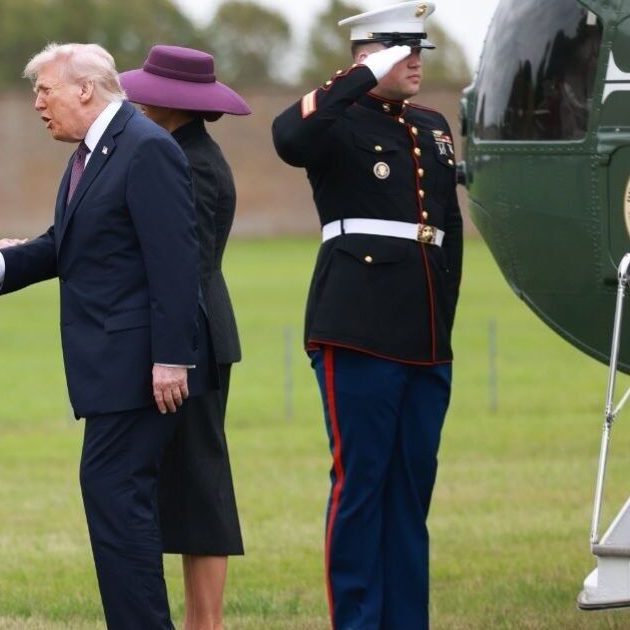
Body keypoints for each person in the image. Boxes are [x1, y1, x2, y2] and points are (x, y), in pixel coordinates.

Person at [0, 42, 216, 629]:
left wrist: (172, 359)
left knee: (115, 496)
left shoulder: (145, 148)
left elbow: (175, 259)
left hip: (141, 368)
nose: (37, 103)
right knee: (114, 498)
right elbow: (67, 243)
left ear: (85, 89)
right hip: (112, 367)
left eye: (44, 90)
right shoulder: (95, 150)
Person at [270, 2, 463, 628]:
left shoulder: (432, 125)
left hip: (425, 332)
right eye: (402, 51)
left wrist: (445, 322)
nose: (416, 62)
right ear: (367, 57)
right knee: (362, 485)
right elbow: (288, 138)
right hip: (357, 327)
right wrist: (358, 76)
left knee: (411, 490)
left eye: (420, 50)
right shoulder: (336, 118)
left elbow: (447, 232)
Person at [120, 45, 249, 630]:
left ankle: (206, 622)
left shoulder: (191, 162)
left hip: (194, 337)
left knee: (201, 484)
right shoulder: (183, 150)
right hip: (192, 331)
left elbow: (184, 265)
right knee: (186, 482)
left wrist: (170, 350)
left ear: (173, 102)